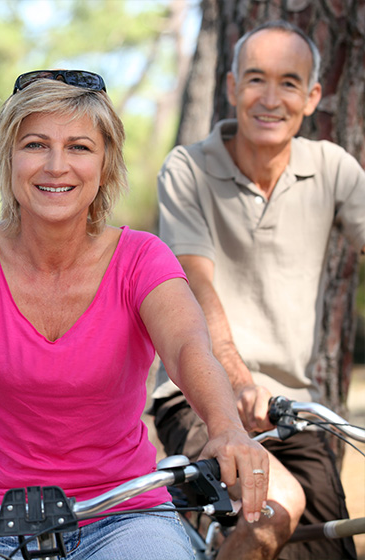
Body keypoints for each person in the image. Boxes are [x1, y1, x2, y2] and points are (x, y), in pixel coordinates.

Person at [0, 70, 269, 560]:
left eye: (80, 147)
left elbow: (189, 348)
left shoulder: (143, 258)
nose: (56, 166)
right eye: (36, 144)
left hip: (125, 516)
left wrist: (225, 426)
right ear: (9, 160)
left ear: (105, 166)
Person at [151, 20, 365, 560]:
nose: (271, 99)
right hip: (198, 392)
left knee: (330, 547)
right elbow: (193, 281)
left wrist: (267, 393)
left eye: (289, 83)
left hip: (295, 406)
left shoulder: (333, 168)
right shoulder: (188, 169)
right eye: (255, 80)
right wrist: (236, 378)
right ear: (230, 88)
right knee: (273, 509)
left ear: (313, 96)